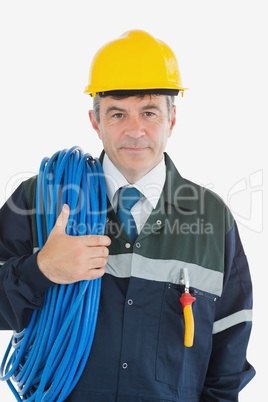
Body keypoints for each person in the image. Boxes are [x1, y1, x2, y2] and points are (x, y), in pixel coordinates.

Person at [0, 30, 255, 401]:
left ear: (171, 120)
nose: (135, 130)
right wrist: (41, 270)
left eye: (149, 112)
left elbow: (229, 354)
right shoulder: (44, 198)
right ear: (95, 121)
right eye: (118, 114)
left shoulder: (213, 219)